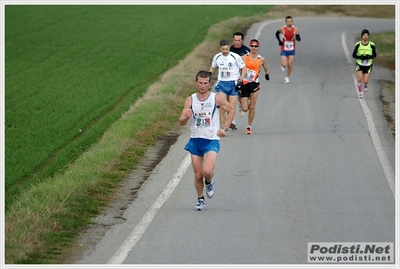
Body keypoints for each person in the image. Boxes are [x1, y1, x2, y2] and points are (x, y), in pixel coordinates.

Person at [179, 70, 235, 211]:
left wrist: (225, 128)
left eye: (205, 83)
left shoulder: (215, 98)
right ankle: (200, 199)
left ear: (209, 83)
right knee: (198, 175)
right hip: (195, 140)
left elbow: (231, 109)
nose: (202, 86)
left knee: (207, 171)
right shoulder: (190, 100)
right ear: (196, 82)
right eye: (200, 83)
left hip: (211, 140)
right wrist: (186, 117)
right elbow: (181, 122)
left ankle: (209, 182)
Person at [209, 39, 246, 130]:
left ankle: (231, 120)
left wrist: (241, 78)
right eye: (223, 49)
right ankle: (223, 127)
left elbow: (244, 68)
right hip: (222, 83)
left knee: (231, 107)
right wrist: (208, 75)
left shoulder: (235, 56)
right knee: (222, 107)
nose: (225, 51)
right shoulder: (217, 57)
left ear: (229, 47)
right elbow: (213, 68)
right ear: (220, 48)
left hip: (233, 83)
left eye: (226, 49)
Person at [238, 39, 270, 135]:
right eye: (252, 46)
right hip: (244, 83)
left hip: (254, 84)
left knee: (252, 107)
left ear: (258, 47)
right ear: (249, 46)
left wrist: (267, 74)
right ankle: (241, 103)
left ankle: (249, 127)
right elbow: (238, 68)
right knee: (245, 108)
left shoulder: (261, 59)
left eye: (256, 46)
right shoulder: (244, 57)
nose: (253, 48)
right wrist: (239, 79)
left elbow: (266, 69)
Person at [275, 16, 301, 84]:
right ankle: (283, 66)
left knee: (290, 64)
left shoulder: (295, 29)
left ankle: (287, 77)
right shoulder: (282, 29)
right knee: (284, 64)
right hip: (284, 48)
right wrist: (279, 41)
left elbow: (298, 37)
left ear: (292, 22)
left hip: (292, 49)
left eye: (290, 21)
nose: (289, 22)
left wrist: (298, 38)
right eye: (288, 21)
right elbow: (276, 34)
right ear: (286, 22)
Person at [352, 29, 377, 99]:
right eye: (364, 35)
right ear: (362, 36)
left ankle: (365, 85)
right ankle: (360, 92)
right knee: (359, 79)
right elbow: (354, 55)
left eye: (367, 35)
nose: (366, 36)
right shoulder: (358, 44)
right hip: (359, 64)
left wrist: (369, 57)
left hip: (368, 65)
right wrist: (361, 57)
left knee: (365, 81)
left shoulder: (372, 45)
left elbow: (374, 55)